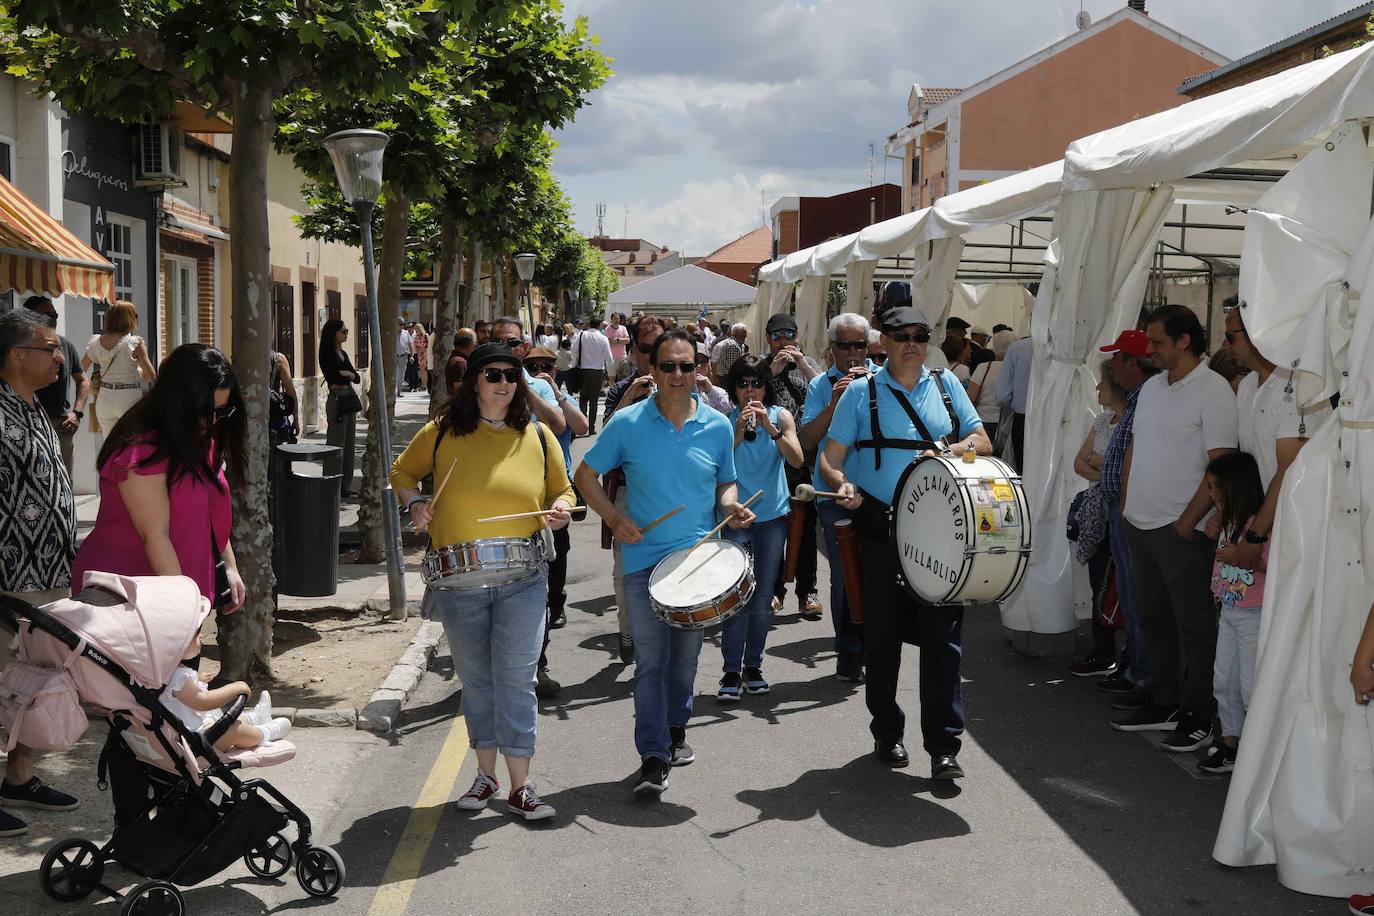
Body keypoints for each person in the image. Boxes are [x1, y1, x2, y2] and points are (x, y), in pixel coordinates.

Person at [391, 343, 574, 821]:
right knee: (477, 684)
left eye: (511, 376)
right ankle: (485, 776)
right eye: (492, 374)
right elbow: (401, 473)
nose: (503, 383)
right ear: (474, 381)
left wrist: (559, 511)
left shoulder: (535, 435)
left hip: (523, 578)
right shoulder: (442, 433)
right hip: (459, 582)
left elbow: (564, 488)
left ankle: (521, 786)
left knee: (517, 681)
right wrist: (415, 504)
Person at [575, 329, 753, 796]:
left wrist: (731, 507)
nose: (678, 375)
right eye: (669, 366)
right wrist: (614, 517)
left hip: (696, 563)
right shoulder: (628, 423)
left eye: (687, 366)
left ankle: (677, 729)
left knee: (685, 663)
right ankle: (653, 756)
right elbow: (585, 475)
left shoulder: (717, 425)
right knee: (651, 663)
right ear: (651, 370)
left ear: (700, 370)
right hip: (641, 561)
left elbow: (725, 484)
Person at [824, 302, 989, 779]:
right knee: (881, 640)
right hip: (878, 527)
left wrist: (958, 447)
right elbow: (830, 460)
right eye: (901, 335)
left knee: (944, 643)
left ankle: (943, 746)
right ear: (884, 342)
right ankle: (888, 732)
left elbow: (982, 438)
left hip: (940, 531)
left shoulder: (947, 384)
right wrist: (842, 483)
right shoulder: (859, 393)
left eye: (921, 334)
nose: (912, 343)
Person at [1114, 304, 1238, 754]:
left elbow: (1222, 465)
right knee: (1153, 620)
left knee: (1195, 627)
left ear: (1185, 341)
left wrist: (1190, 520)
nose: (1150, 350)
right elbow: (1134, 447)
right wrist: (1128, 501)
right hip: (1141, 524)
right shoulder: (1151, 388)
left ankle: (1197, 714)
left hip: (1180, 530)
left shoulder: (1214, 390)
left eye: (1158, 342)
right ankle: (1163, 702)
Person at [72, 344, 247, 611]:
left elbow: (212, 511)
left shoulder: (199, 439)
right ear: (178, 401)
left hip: (176, 590)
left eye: (221, 412)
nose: (211, 422)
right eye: (204, 411)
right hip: (128, 599)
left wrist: (229, 566)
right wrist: (183, 611)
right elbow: (155, 537)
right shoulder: (140, 451)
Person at [0, 308, 80, 838]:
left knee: (36, 682)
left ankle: (19, 777)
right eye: (48, 348)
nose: (59, 357)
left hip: (47, 572)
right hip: (8, 576)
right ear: (15, 355)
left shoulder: (35, 405)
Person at [718, 355, 804, 701]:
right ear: (734, 388)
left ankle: (753, 666)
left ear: (767, 386)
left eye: (757, 383)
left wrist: (770, 428)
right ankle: (729, 671)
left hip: (771, 518)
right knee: (734, 597)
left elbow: (797, 459)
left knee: (762, 596)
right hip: (736, 517)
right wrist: (737, 433)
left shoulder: (781, 416)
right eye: (743, 384)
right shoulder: (723, 420)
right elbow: (716, 465)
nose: (750, 390)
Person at [1219, 300, 1327, 576]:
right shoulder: (1245, 386)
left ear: (1257, 334)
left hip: (1296, 530)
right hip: (1261, 527)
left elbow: (1289, 469)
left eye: (1231, 336)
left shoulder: (1300, 383)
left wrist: (1256, 536)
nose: (1226, 344)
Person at [798, 313, 876, 683]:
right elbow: (808, 440)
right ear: (831, 350)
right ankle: (848, 653)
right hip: (833, 494)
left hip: (877, 493)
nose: (852, 353)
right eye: (844, 345)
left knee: (879, 574)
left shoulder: (883, 380)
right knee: (845, 575)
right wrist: (835, 401)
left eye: (859, 345)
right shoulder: (819, 385)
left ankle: (874, 648)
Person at [1093, 329, 1159, 709]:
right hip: (1123, 506)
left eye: (1117, 357)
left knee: (1137, 595)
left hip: (1130, 508)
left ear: (1133, 363)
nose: (1112, 364)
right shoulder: (1137, 399)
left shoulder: (1145, 399)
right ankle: (1136, 669)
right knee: (1131, 595)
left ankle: (1142, 673)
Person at [600, 314, 671, 664]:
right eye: (646, 349)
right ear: (634, 352)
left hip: (671, 495)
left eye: (659, 348)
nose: (652, 356)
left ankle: (658, 639)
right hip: (629, 493)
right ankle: (628, 629)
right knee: (625, 570)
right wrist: (630, 396)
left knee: (669, 568)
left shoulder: (678, 385)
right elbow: (604, 443)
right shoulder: (620, 389)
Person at [523, 344, 590, 698]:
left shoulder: (554, 394)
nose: (540, 368)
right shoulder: (514, 390)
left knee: (555, 563)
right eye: (532, 364)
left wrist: (555, 392)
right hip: (521, 500)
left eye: (546, 364)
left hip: (555, 490)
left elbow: (576, 425)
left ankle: (556, 604)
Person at [1197, 451, 1267, 775]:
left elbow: (1270, 566)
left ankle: (1257, 757)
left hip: (1253, 614)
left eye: (1214, 487)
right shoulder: (1226, 521)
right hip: (1228, 611)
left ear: (1233, 488)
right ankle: (1230, 745)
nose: (1210, 494)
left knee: (1252, 686)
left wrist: (1240, 555)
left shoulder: (1258, 528)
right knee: (1224, 681)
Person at [1067, 367, 1128, 678]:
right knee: (1099, 584)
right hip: (1097, 514)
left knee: (1121, 585)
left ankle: (1115, 655)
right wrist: (1105, 469)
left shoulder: (1129, 422)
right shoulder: (1102, 420)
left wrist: (1097, 464)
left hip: (1119, 509)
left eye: (1102, 382)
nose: (1097, 389)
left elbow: (1117, 471)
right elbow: (1079, 461)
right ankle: (1102, 651)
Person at [762, 312, 822, 619]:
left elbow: (826, 392)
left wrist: (803, 365)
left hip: (805, 460)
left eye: (789, 335)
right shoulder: (760, 366)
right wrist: (771, 371)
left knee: (806, 527)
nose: (784, 341)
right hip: (770, 459)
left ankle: (807, 590)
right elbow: (751, 394)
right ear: (768, 338)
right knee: (774, 527)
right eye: (777, 336)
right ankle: (773, 591)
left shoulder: (806, 365)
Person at [164, 631, 291, 750]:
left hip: (178, 734)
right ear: (179, 643)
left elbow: (179, 693)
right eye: (196, 634)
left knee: (221, 723)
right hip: (194, 742)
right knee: (233, 730)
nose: (202, 636)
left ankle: (254, 718)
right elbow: (204, 701)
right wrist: (235, 688)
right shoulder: (177, 677)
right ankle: (266, 733)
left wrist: (196, 680)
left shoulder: (160, 673)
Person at [25, 296, 88, 474]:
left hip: (61, 425)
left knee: (64, 479)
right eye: (47, 315)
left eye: (55, 314)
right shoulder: (19, 347)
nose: (52, 319)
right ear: (29, 316)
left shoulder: (65, 344)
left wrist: (77, 413)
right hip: (29, 424)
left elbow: (83, 380)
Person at [83, 300, 155, 434]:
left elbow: (81, 368)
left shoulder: (96, 342)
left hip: (104, 396)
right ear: (130, 318)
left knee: (109, 447)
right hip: (128, 396)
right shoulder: (135, 342)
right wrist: (137, 372)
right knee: (132, 444)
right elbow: (151, 376)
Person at [318, 319, 359, 496]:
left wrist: (348, 374)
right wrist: (347, 374)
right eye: (343, 331)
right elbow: (334, 377)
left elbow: (355, 377)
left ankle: (345, 486)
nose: (346, 333)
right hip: (337, 399)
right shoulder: (326, 353)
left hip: (348, 398)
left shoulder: (343, 353)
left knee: (349, 444)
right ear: (334, 333)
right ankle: (330, 483)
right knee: (336, 443)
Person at [966, 329, 1014, 445]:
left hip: (983, 421)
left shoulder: (984, 368)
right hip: (1008, 423)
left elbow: (970, 399)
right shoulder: (1016, 369)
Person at [994, 333, 1033, 467]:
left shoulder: (1018, 348)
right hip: (1059, 420)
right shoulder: (1071, 348)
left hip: (1023, 419)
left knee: (1023, 471)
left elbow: (1002, 395)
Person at [570, 316, 614, 433]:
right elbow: (609, 359)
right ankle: (591, 427)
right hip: (597, 372)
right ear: (600, 325)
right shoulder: (603, 338)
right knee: (594, 401)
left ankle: (582, 424)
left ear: (589, 324)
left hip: (583, 370)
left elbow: (574, 351)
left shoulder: (581, 335)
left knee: (583, 399)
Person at [268, 349, 299, 448]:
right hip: (275, 416)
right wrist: (296, 420)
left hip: (251, 416)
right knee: (280, 456)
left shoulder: (244, 356)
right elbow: (291, 394)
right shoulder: (278, 359)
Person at [605, 312, 630, 376]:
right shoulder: (608, 329)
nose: (617, 320)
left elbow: (627, 340)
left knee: (623, 376)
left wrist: (617, 340)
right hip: (612, 358)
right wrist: (622, 340)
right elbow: (609, 342)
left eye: (618, 318)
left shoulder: (623, 328)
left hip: (623, 357)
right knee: (612, 377)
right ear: (611, 319)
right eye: (615, 318)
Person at [395, 318, 413, 395]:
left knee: (401, 375)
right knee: (394, 374)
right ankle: (394, 391)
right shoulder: (392, 333)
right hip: (394, 356)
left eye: (403, 325)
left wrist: (412, 355)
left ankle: (399, 391)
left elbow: (410, 344)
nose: (402, 326)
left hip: (403, 356)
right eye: (400, 324)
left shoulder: (406, 333)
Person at [412, 321, 430, 392]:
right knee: (422, 370)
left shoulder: (426, 336)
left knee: (426, 370)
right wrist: (418, 351)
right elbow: (415, 346)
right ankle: (424, 385)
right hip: (420, 355)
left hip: (426, 354)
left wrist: (426, 353)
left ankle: (426, 385)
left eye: (417, 329)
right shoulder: (416, 337)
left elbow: (429, 345)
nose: (416, 331)